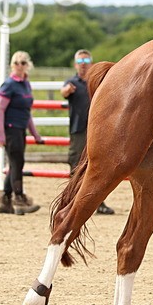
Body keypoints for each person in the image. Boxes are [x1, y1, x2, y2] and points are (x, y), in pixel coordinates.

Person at [61, 48, 114, 215]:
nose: (83, 65)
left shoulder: (98, 81)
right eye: (80, 62)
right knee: (76, 164)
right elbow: (63, 92)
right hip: (79, 130)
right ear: (75, 64)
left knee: (98, 165)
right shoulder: (71, 83)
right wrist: (66, 91)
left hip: (98, 129)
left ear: (91, 63)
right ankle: (71, 201)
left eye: (85, 61)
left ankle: (98, 202)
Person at [0, 50, 43, 215]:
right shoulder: (9, 85)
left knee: (15, 163)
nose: (19, 66)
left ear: (27, 65)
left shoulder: (25, 84)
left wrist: (35, 133)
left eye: (22, 62)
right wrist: (0, 134)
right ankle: (19, 198)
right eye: (16, 62)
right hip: (10, 128)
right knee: (17, 163)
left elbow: (26, 111)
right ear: (12, 65)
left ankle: (5, 200)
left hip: (20, 128)